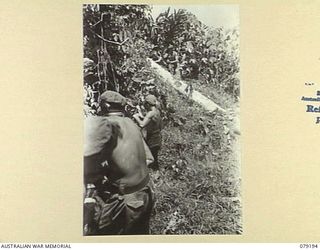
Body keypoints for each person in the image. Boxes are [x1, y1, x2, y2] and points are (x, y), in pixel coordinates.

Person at [83, 91, 154, 235]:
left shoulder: (108, 124)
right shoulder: (131, 123)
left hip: (129, 201)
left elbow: (86, 158)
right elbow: (149, 158)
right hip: (147, 192)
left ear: (106, 105)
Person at [133, 94, 162, 170]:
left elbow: (142, 124)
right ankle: (155, 173)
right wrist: (141, 116)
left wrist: (136, 117)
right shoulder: (157, 111)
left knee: (151, 159)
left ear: (148, 104)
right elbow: (149, 120)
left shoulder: (150, 113)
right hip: (157, 137)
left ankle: (153, 174)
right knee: (154, 157)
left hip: (152, 139)